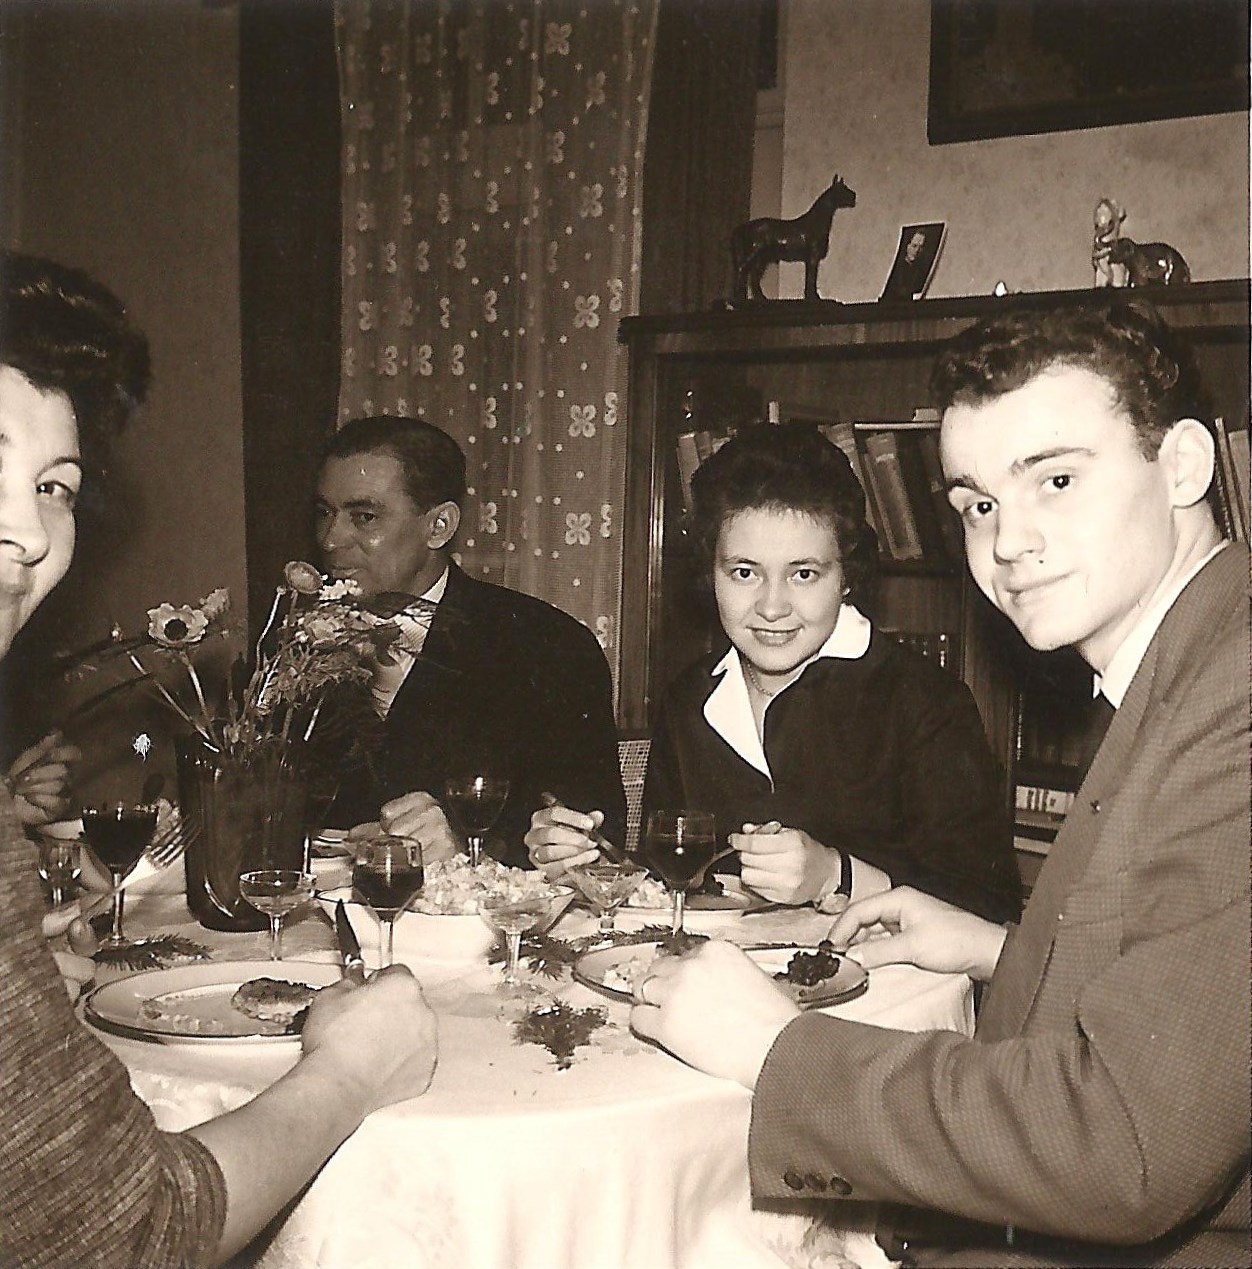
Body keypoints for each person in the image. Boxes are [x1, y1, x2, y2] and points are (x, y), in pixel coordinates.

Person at [630, 300, 1250, 1267]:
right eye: (978, 504)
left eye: (1055, 479)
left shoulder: (1234, 699)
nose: (1008, 542)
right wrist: (998, 948)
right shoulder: (1187, 669)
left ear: (1181, 465)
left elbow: (1122, 1150)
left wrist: (773, 1049)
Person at [0, 249, 438, 1268]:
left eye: (54, 485)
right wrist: (352, 1073)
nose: (28, 530)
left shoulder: (540, 642)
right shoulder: (282, 641)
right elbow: (127, 1234)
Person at [529, 422, 1021, 926]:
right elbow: (673, 886)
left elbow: (990, 907)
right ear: (710, 573)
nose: (771, 606)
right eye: (744, 572)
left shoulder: (925, 702)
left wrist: (836, 875)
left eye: (803, 574)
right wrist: (587, 863)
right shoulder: (688, 700)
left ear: (846, 578)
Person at [315, 414, 626, 868]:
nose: (331, 539)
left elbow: (593, 838)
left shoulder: (548, 646)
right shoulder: (292, 642)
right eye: (325, 513)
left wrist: (469, 847)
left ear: (439, 526)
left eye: (364, 518)